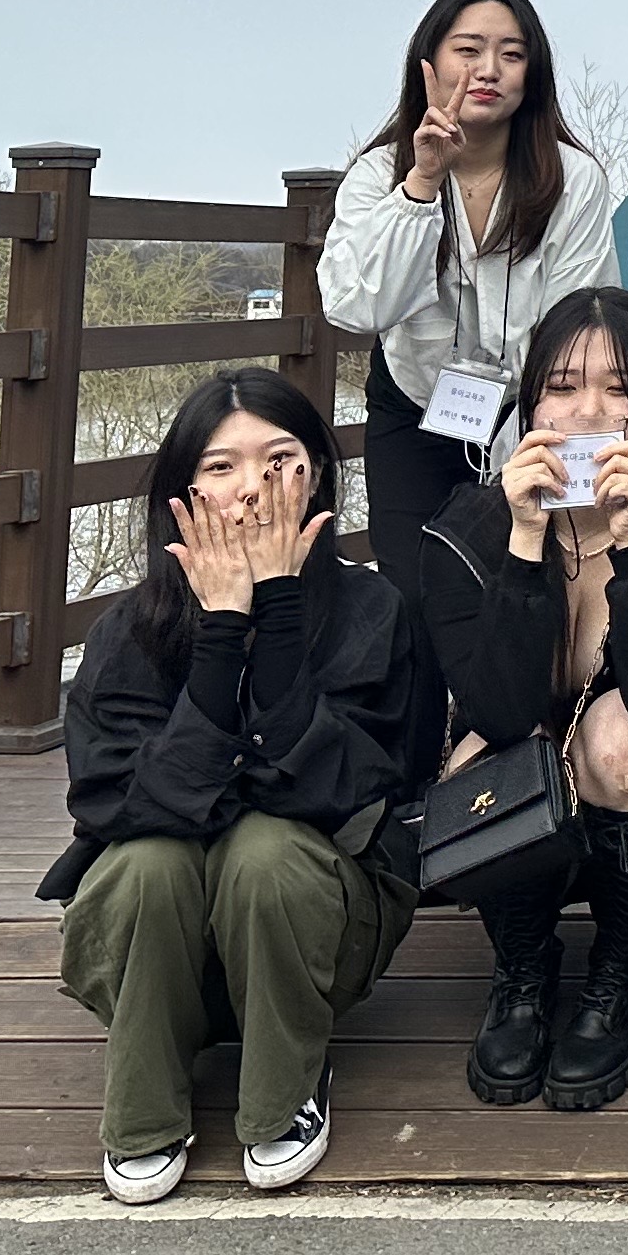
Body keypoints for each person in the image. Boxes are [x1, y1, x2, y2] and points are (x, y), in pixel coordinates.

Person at [50, 368, 417, 1205]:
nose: (253, 488)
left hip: (313, 936)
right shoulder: (127, 632)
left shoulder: (373, 611)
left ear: (315, 477)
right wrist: (221, 633)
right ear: (184, 496)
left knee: (263, 850)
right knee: (149, 859)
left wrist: (278, 609)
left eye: (279, 461)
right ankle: (144, 1108)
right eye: (221, 467)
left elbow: (338, 793)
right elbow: (134, 808)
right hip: (153, 948)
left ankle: (286, 1091)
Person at [417, 286, 628, 1113]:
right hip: (521, 800)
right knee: (493, 750)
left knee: (620, 736)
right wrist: (524, 541)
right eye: (562, 388)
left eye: (619, 388)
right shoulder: (463, 531)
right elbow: (496, 713)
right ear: (531, 406)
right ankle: (522, 978)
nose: (588, 411)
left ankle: (623, 980)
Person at [316, 0, 618, 658]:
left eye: (511, 54)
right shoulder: (379, 174)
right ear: (428, 63)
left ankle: (518, 722)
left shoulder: (572, 180)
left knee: (529, 585)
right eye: (468, 50)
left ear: (532, 73)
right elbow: (355, 307)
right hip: (416, 404)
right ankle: (426, 724)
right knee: (414, 593)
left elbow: (579, 324)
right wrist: (422, 183)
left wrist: (545, 426)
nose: (488, 71)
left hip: (537, 414)